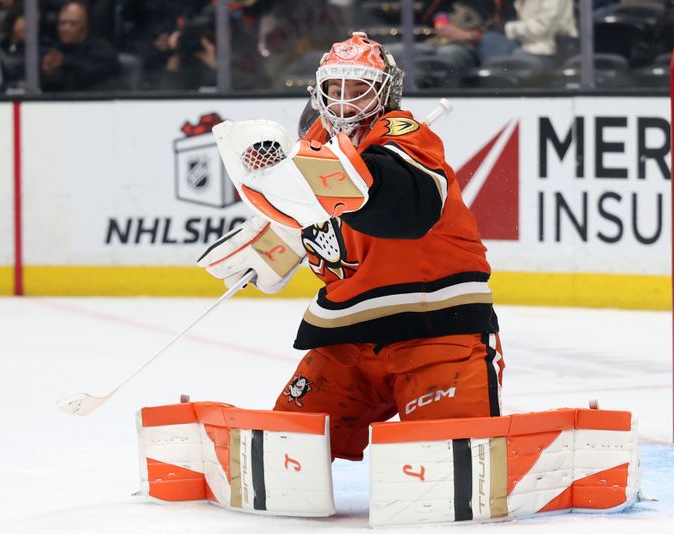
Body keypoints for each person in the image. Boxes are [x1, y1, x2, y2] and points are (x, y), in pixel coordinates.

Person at [198, 33, 504, 461]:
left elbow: (405, 210)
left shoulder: (406, 135)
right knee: (283, 457)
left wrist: (327, 181)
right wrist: (281, 231)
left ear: (384, 93)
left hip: (437, 330)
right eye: (334, 88)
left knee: (454, 464)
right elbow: (328, 221)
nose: (344, 100)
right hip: (344, 342)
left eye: (358, 88)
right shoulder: (313, 149)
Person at [40, 0, 119, 91]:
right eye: (62, 23)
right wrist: (46, 73)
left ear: (85, 26)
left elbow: (98, 73)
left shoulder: (102, 50)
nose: (65, 28)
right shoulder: (54, 51)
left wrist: (66, 62)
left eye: (72, 23)